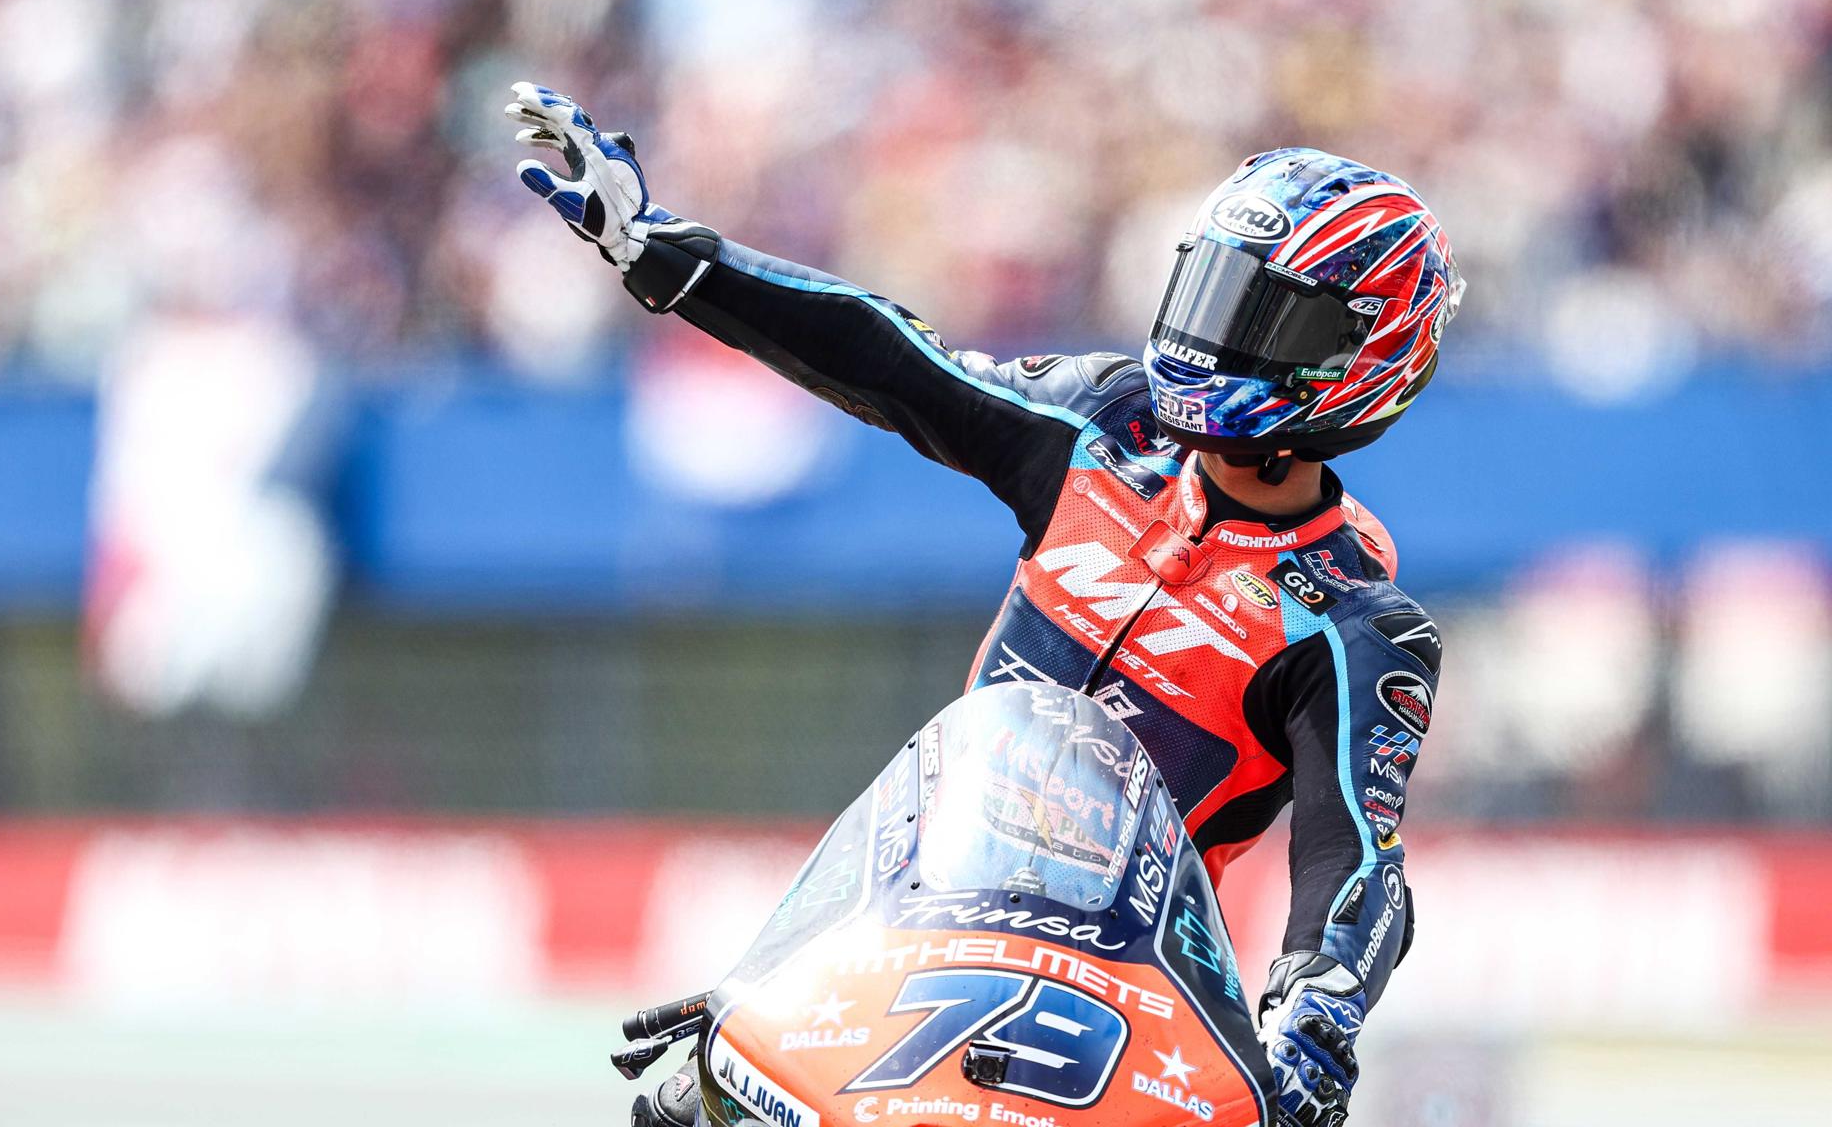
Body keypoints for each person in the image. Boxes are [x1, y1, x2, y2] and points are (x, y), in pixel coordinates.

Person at [505, 83, 1463, 1127]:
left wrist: (1316, 1013)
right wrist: (667, 257)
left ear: (1362, 355)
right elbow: (892, 361)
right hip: (913, 940)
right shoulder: (1106, 427)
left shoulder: (1355, 622)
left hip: (1134, 1016)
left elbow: (1355, 855)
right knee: (682, 1107)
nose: (1212, 334)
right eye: (1213, 290)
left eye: (1262, 311)